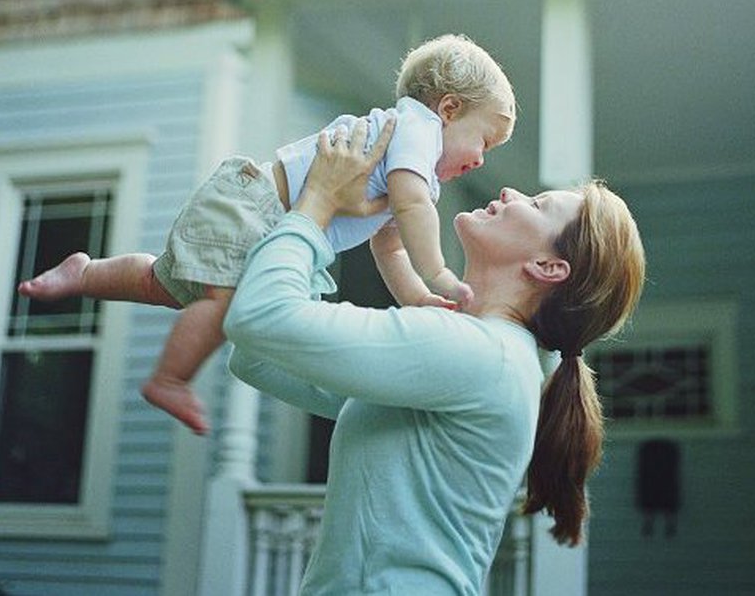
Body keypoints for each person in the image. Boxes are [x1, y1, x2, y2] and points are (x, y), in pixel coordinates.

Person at [16, 34, 516, 435]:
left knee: (162, 285)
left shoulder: (417, 167)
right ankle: (170, 378)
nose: (481, 159)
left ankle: (85, 273)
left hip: (261, 219)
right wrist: (442, 274)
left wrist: (418, 297)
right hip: (254, 208)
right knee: (227, 303)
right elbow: (409, 209)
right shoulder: (417, 129)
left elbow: (390, 244)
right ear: (448, 109)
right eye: (485, 140)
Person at [223, 120, 646, 594]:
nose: (510, 192)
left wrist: (317, 203)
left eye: (538, 205)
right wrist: (334, 227)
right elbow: (256, 356)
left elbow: (260, 319)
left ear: (548, 268)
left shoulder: (482, 355)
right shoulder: (481, 355)